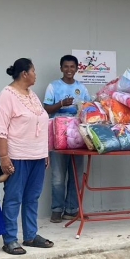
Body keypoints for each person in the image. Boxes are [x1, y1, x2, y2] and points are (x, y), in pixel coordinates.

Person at [0, 58, 53, 255]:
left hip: (38, 156)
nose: (36, 75)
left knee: (32, 197)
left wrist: (44, 152)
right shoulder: (7, 95)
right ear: (24, 74)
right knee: (13, 198)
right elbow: (0, 130)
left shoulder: (32, 95)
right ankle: (10, 239)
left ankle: (30, 236)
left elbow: (41, 125)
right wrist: (4, 157)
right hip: (17, 156)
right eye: (33, 71)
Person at [43, 54, 92, 223]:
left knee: (76, 175)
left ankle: (71, 210)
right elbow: (46, 109)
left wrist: (86, 108)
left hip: (78, 135)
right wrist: (61, 104)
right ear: (61, 68)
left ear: (77, 69)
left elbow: (89, 109)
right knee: (58, 176)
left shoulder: (82, 88)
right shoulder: (53, 86)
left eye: (72, 67)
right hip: (58, 135)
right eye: (66, 66)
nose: (69, 70)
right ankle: (56, 210)